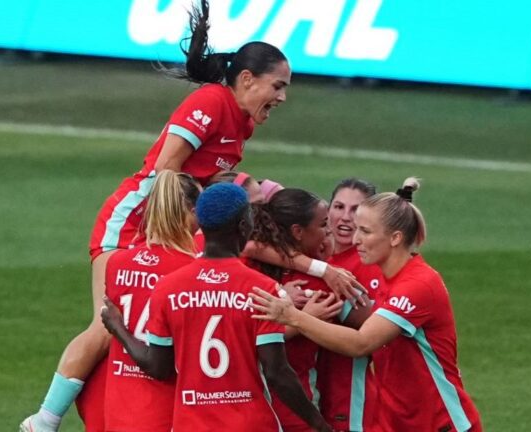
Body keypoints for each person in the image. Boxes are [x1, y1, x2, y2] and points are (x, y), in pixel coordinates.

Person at [20, 1, 294, 430]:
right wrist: (178, 229)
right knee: (105, 324)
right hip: (135, 217)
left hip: (168, 224)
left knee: (152, 323)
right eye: (277, 86)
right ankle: (44, 419)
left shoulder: (242, 124)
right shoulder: (211, 101)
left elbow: (204, 179)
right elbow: (166, 169)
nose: (282, 97)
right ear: (246, 79)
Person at [101, 183, 332, 432]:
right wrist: (319, 424)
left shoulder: (168, 288)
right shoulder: (262, 289)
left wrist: (118, 328)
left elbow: (158, 367)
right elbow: (277, 373)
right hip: (250, 425)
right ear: (244, 226)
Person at [250, 185, 483, 432]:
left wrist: (293, 316)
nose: (355, 240)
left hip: (441, 423)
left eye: (365, 231)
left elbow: (361, 343)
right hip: (400, 422)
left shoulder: (418, 285)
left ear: (395, 238)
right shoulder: (388, 279)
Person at [103, 170, 201, 431]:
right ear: (190, 213)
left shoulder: (116, 264)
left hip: (119, 408)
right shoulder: (189, 271)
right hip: (165, 411)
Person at [248, 188, 344, 431]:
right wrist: (303, 319)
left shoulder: (246, 269)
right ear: (297, 232)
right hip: (296, 413)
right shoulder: (320, 284)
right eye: (323, 224)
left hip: (248, 410)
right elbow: (362, 335)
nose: (329, 231)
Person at [316, 178, 383, 432]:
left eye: (356, 210)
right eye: (339, 207)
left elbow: (374, 332)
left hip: (346, 396)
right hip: (306, 390)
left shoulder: (370, 264)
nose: (345, 217)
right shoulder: (314, 257)